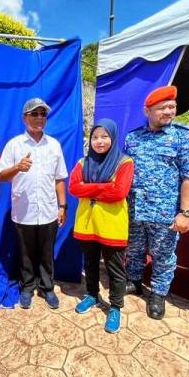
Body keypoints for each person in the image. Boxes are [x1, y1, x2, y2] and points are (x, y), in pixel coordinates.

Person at [124, 86, 189, 319]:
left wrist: (186, 213)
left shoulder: (185, 135)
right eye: (162, 108)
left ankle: (158, 293)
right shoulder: (133, 137)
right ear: (147, 110)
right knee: (134, 249)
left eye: (172, 107)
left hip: (165, 211)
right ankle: (134, 280)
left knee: (163, 254)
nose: (169, 111)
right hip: (135, 208)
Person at [0, 98, 68, 309]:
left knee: (47, 254)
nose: (39, 118)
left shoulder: (54, 145)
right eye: (34, 114)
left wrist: (62, 206)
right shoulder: (14, 145)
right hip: (23, 211)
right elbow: (2, 176)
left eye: (42, 114)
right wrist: (18, 167)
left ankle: (47, 288)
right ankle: (27, 287)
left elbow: (59, 179)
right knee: (26, 254)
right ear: (24, 117)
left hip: (48, 210)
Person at [69, 119, 134, 333]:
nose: (99, 141)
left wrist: (89, 187)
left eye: (105, 137)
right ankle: (91, 294)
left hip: (112, 225)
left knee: (115, 269)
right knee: (90, 263)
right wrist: (104, 187)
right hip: (87, 223)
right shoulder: (82, 163)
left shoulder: (124, 162)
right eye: (95, 137)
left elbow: (119, 192)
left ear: (113, 138)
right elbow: (74, 188)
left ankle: (115, 306)